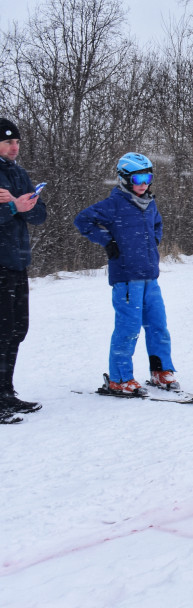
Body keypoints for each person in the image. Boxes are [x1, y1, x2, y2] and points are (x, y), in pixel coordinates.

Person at [74, 152, 178, 396]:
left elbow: (157, 225)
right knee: (128, 328)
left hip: (150, 277)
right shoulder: (114, 204)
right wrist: (107, 242)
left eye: (148, 177)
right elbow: (82, 220)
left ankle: (160, 371)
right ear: (123, 179)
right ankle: (120, 378)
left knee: (158, 326)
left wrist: (153, 242)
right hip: (126, 278)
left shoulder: (150, 203)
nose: (143, 183)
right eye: (138, 178)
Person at [0, 117, 46, 417]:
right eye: (8, 142)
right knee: (2, 331)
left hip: (17, 262)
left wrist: (22, 205)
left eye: (17, 141)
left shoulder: (18, 172)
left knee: (17, 329)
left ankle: (6, 390)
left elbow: (40, 214)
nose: (14, 147)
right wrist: (15, 207)